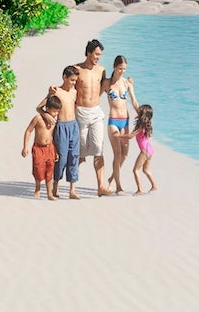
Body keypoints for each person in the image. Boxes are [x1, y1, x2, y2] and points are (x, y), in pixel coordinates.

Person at [73, 39, 112, 195]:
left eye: (100, 55)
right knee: (80, 152)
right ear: (88, 53)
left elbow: (106, 85)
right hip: (80, 113)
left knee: (98, 148)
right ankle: (72, 187)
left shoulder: (101, 70)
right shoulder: (76, 69)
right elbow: (68, 88)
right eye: (96, 54)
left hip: (95, 113)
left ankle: (101, 186)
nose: (98, 57)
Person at [42, 66, 81, 199]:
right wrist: (46, 115)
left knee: (74, 157)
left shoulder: (74, 92)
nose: (73, 83)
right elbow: (40, 107)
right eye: (71, 80)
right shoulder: (56, 91)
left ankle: (72, 190)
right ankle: (55, 186)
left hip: (74, 126)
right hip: (61, 127)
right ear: (64, 77)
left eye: (75, 80)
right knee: (61, 158)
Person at [104, 54, 140, 194]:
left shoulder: (127, 83)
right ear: (114, 66)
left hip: (125, 121)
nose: (122, 71)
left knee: (125, 154)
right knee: (117, 154)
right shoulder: (107, 83)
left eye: (124, 69)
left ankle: (111, 178)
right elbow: (94, 96)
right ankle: (118, 186)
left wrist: (143, 117)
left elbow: (134, 102)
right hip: (113, 121)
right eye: (120, 69)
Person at [22, 96, 60, 200]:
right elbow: (28, 131)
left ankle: (49, 194)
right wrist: (25, 147)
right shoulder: (38, 118)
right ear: (47, 109)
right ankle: (38, 187)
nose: (56, 114)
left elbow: (52, 137)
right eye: (54, 112)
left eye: (57, 112)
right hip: (38, 148)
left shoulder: (54, 121)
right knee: (38, 170)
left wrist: (55, 150)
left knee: (50, 171)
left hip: (50, 148)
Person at [119, 105, 157, 193]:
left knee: (135, 170)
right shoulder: (148, 125)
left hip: (144, 151)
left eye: (139, 112)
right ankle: (154, 185)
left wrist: (118, 136)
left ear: (142, 115)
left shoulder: (141, 126)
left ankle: (139, 190)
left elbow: (130, 136)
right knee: (145, 170)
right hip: (150, 150)